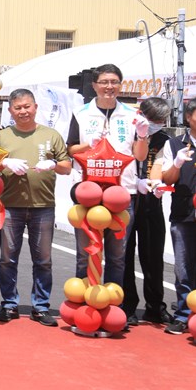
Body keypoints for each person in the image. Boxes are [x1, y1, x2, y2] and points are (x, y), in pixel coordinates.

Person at [0, 89, 72, 326]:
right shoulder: (2, 137)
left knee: (43, 259)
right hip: (9, 206)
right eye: (18, 108)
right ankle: (9, 304)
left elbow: (67, 166)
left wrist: (54, 164)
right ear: (10, 111)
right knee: (8, 258)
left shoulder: (51, 135)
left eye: (27, 106)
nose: (23, 111)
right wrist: (4, 162)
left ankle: (40, 306)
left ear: (35, 107)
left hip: (43, 205)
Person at [67, 64, 147, 285]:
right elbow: (70, 150)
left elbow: (140, 157)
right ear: (94, 85)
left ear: (120, 85)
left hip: (122, 192)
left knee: (117, 256)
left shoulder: (133, 115)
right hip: (88, 192)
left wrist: (142, 135)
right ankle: (84, 306)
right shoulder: (81, 113)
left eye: (114, 82)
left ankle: (113, 307)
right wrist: (87, 145)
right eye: (103, 82)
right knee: (86, 253)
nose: (109, 87)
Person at [123, 97, 174, 326]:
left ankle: (155, 306)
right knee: (123, 256)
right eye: (152, 119)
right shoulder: (126, 133)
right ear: (141, 114)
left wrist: (155, 184)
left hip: (152, 201)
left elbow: (159, 167)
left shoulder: (165, 140)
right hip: (125, 200)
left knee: (153, 256)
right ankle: (127, 306)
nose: (156, 124)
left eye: (160, 121)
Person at [159, 97, 196, 335]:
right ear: (188, 118)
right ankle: (183, 314)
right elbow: (167, 179)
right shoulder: (174, 144)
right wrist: (176, 163)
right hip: (183, 215)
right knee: (183, 269)